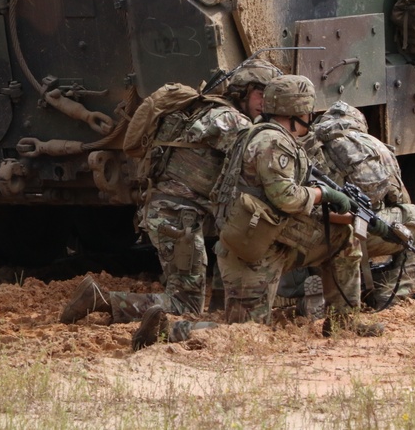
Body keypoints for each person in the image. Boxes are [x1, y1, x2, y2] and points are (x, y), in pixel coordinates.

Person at [59, 59, 282, 332]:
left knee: (214, 258)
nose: (266, 104)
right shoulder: (230, 121)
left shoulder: (206, 111)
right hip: (176, 219)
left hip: (172, 213)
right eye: (261, 94)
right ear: (242, 92)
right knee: (184, 303)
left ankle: (219, 307)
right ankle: (101, 300)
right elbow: (260, 159)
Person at [209, 75, 384, 341]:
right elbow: (286, 199)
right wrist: (323, 193)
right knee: (244, 337)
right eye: (309, 114)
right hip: (250, 249)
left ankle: (342, 323)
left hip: (272, 238)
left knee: (342, 238)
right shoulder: (273, 142)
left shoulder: (264, 134)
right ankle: (170, 328)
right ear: (298, 114)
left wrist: (341, 213)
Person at [313, 101, 415, 308]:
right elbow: (400, 200)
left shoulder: (307, 143)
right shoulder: (371, 144)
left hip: (311, 232)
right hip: (353, 231)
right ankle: (388, 295)